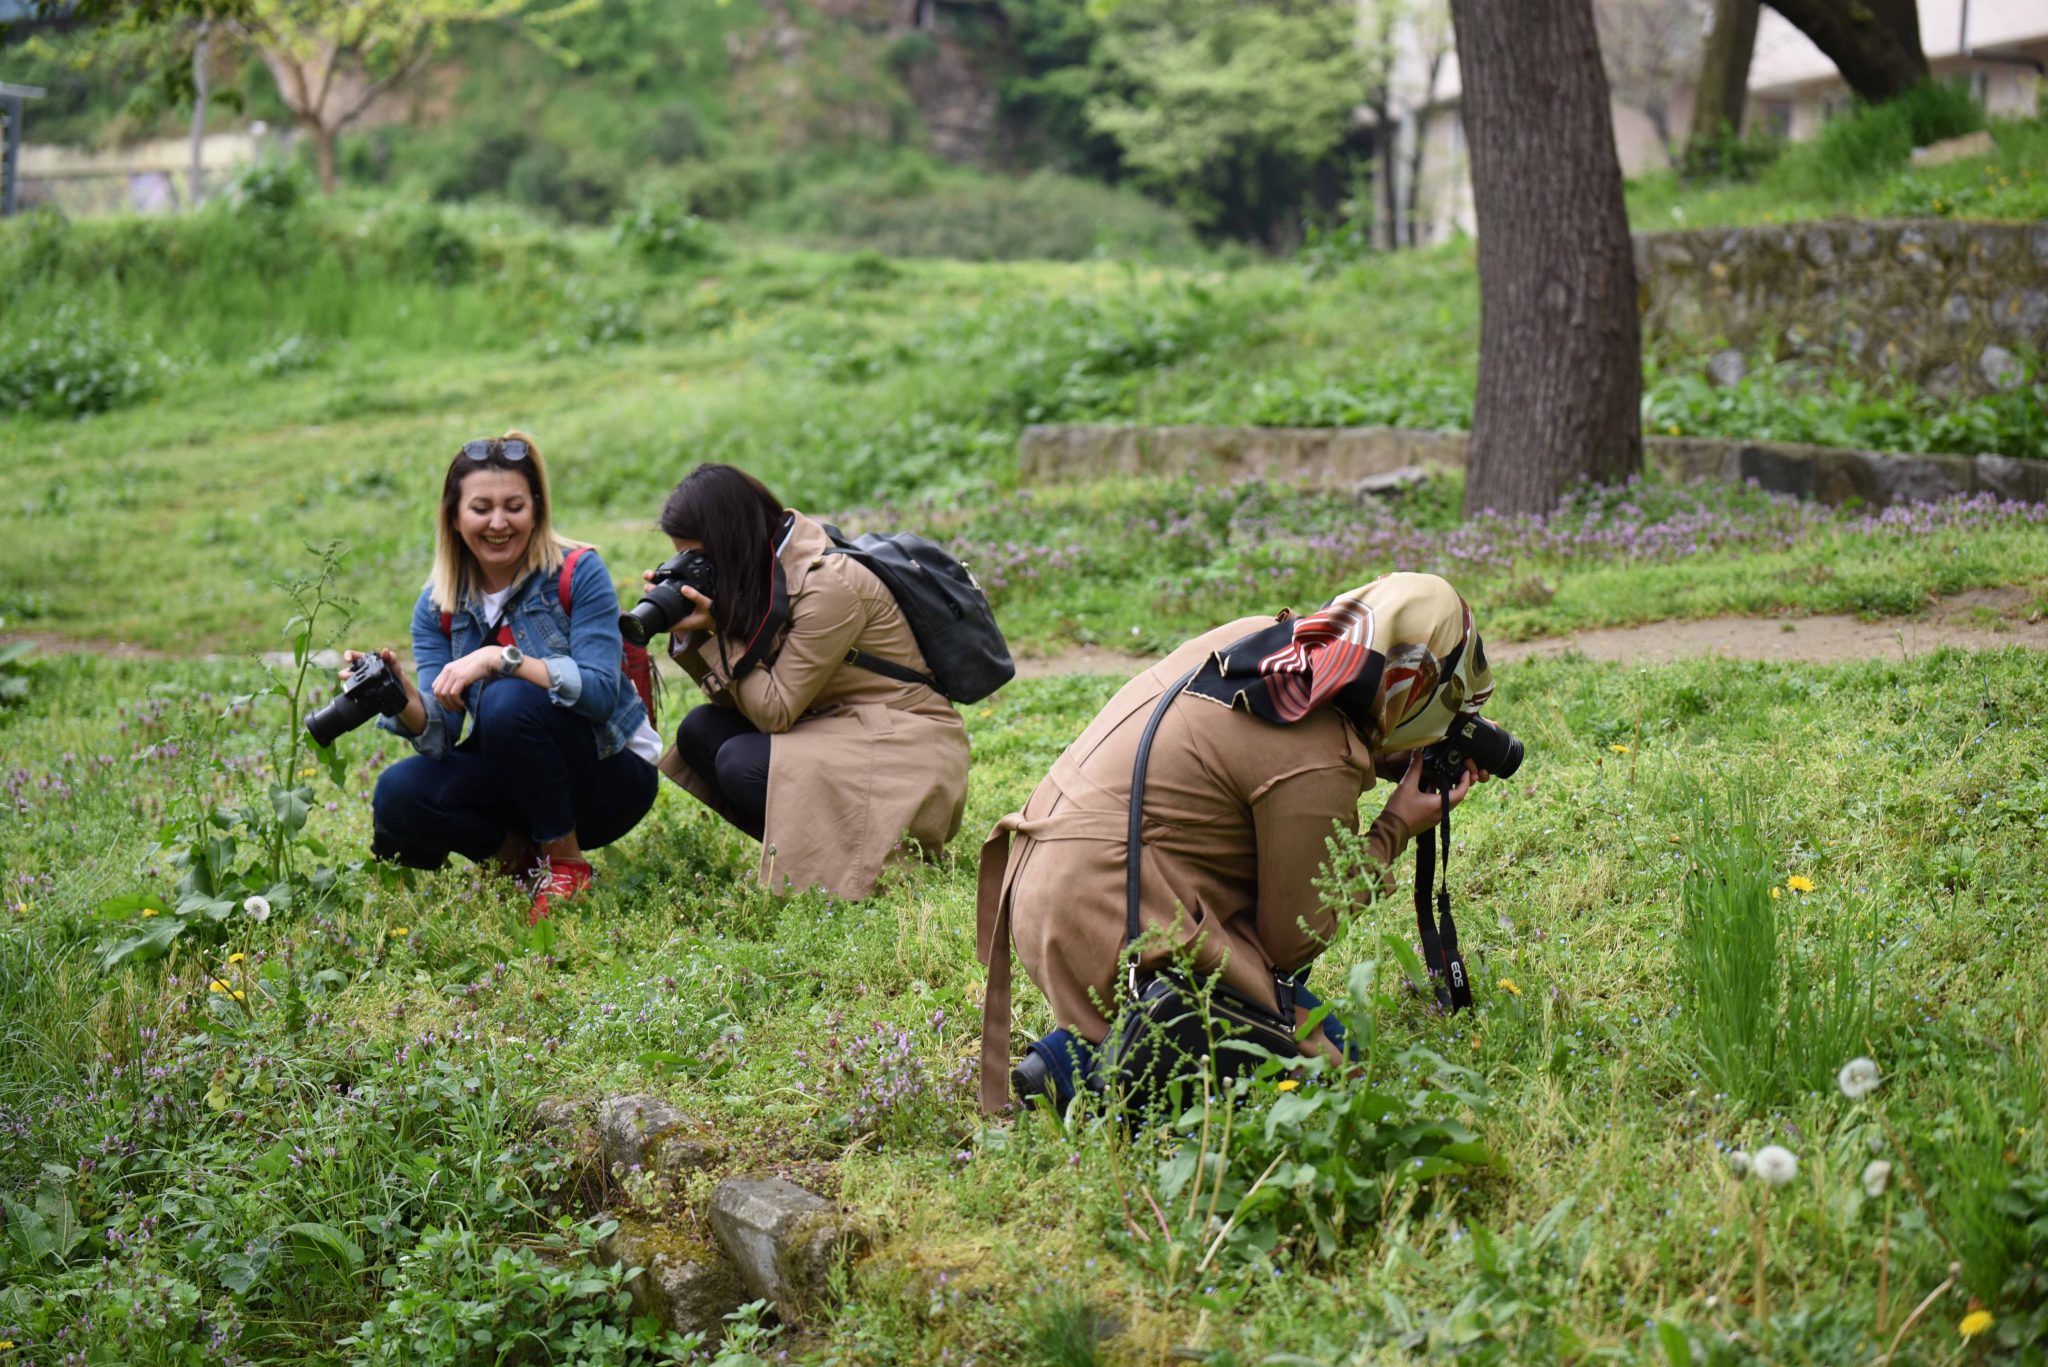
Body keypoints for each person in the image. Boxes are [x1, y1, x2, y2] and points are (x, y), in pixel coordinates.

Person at [975, 572, 1498, 1111]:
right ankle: (1079, 1068)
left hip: (1045, 884)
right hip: (1108, 917)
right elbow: (1293, 938)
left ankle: (1121, 1034)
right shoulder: (1317, 749)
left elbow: (1239, 755)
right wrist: (1396, 827)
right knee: (1334, 1074)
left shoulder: (1262, 642)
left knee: (1296, 1026)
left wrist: (1379, 750)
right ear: (1414, 685)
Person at [355, 432, 660, 921]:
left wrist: (501, 659)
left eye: (514, 506)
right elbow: (440, 733)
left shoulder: (579, 571)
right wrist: (397, 695)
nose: (498, 523)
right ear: (454, 517)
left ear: (536, 510)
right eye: (481, 508)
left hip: (610, 772)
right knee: (400, 792)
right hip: (524, 772)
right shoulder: (440, 603)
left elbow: (601, 694)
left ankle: (565, 862)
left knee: (505, 700)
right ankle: (520, 864)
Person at [652, 463, 970, 900]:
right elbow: (737, 703)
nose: (695, 569)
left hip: (904, 751)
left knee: (740, 760)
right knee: (700, 731)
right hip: (842, 730)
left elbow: (773, 711)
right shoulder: (761, 569)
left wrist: (719, 635)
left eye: (699, 558)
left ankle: (857, 863)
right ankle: (820, 862)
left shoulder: (829, 586)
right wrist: (694, 633)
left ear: (730, 541)